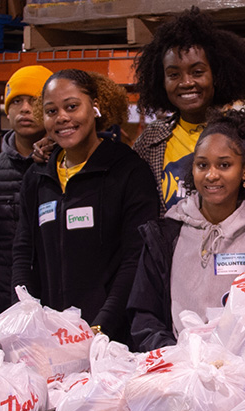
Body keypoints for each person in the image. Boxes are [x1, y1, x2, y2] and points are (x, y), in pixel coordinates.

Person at [12, 69, 159, 346]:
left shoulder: (128, 171)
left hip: (113, 338)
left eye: (71, 106)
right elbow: (23, 251)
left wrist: (102, 326)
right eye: (51, 111)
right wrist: (26, 316)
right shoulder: (38, 176)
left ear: (95, 107)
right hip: (50, 337)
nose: (62, 118)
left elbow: (135, 258)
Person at [129, 109, 245, 352]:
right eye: (202, 165)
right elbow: (144, 317)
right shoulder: (163, 236)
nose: (211, 175)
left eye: (224, 165)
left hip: (239, 374)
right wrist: (177, 356)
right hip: (176, 368)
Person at [131, 7, 245, 214]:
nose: (186, 82)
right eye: (173, 74)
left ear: (217, 75)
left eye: (197, 72)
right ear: (161, 81)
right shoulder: (149, 143)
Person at [0, 64, 52, 314]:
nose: (26, 109)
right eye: (17, 101)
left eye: (35, 100)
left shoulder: (66, 168)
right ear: (7, 111)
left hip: (56, 299)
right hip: (5, 303)